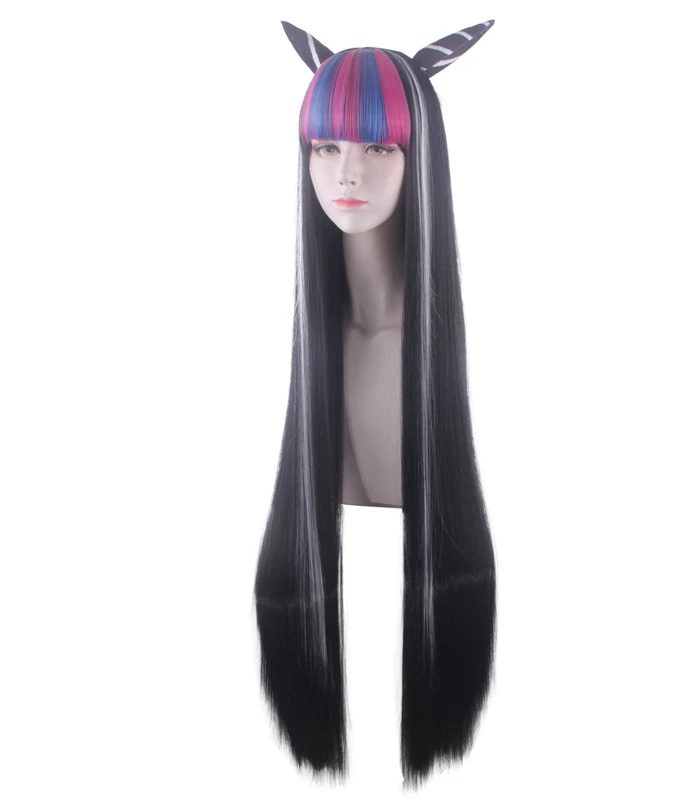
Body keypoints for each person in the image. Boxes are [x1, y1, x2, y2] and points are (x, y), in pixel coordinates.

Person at [254, 22, 498, 788]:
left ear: (418, 157)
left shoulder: (472, 358)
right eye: (325, 146)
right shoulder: (308, 347)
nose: (347, 173)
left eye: (378, 147)